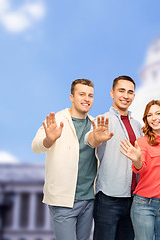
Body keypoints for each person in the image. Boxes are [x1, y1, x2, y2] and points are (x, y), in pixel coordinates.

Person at [32, 79, 97, 240]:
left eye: (90, 95)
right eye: (81, 94)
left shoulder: (95, 124)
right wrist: (50, 140)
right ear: (71, 97)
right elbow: (36, 146)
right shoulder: (56, 120)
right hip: (63, 201)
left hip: (88, 199)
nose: (86, 99)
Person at [85, 75, 143, 240]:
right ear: (112, 93)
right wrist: (96, 137)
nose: (126, 95)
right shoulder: (103, 120)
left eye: (130, 92)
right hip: (109, 198)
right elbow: (90, 140)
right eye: (121, 91)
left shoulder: (137, 125)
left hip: (132, 198)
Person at [119, 100, 160, 240]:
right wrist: (137, 159)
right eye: (149, 115)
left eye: (158, 113)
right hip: (144, 205)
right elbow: (140, 167)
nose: (154, 118)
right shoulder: (142, 141)